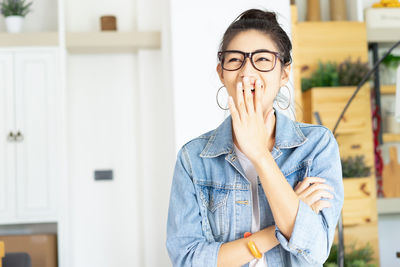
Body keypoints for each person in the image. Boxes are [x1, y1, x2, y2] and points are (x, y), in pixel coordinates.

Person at [166, 9, 344, 267]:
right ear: (221, 72)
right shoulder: (193, 158)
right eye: (235, 60)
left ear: (284, 73)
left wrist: (259, 154)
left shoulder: (316, 146)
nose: (246, 71)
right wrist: (278, 231)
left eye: (262, 59)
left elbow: (315, 249)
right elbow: (188, 259)